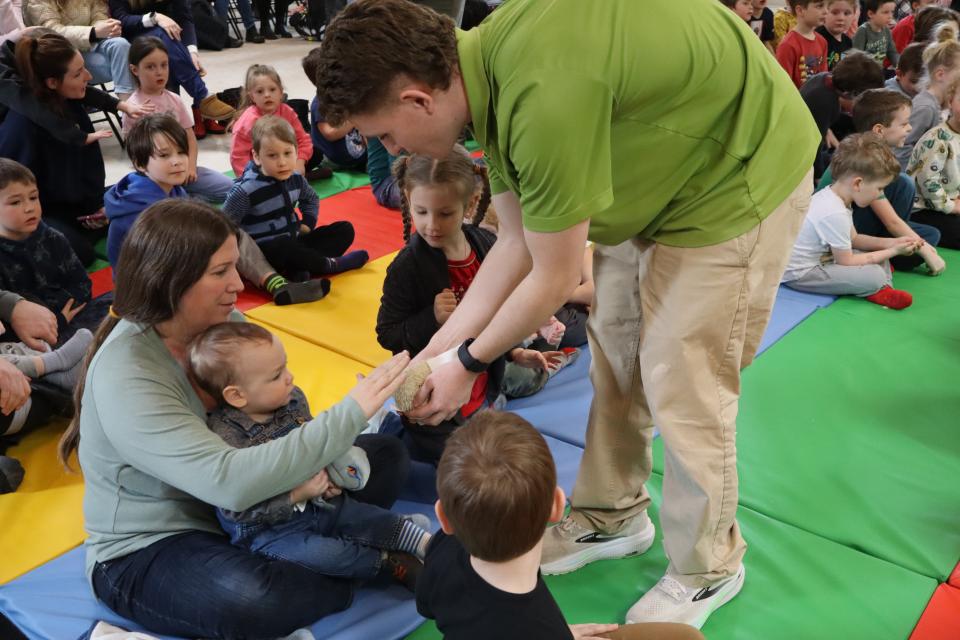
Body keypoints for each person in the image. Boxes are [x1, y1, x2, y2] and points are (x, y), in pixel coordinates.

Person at [314, 0, 819, 627]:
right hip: (661, 182)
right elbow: (517, 246)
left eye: (386, 134)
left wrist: (468, 362)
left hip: (734, 181)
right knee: (618, 351)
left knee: (684, 379)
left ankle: (708, 565)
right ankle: (612, 515)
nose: (391, 148)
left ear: (419, 100)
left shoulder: (541, 97)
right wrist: (435, 354)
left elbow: (550, 274)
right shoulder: (483, 73)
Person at [57, 198, 414, 639]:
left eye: (235, 266)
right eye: (220, 271)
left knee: (385, 456)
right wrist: (351, 413)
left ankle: (320, 554)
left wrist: (325, 461)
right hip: (156, 544)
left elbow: (279, 408)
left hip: (254, 514)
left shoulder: (224, 328)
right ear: (172, 281)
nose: (238, 282)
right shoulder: (127, 371)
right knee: (254, 599)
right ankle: (346, 562)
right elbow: (228, 481)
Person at [419, 410, 707, 640]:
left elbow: (429, 606)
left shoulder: (441, 549)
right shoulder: (540, 625)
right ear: (557, 506)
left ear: (443, 517)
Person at [188, 321, 432, 590]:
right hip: (273, 532)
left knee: (362, 516)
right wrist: (294, 496)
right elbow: (236, 511)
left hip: (322, 503)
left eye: (286, 366)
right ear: (237, 396)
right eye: (276, 375)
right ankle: (385, 562)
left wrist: (331, 477)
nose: (290, 377)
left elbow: (314, 440)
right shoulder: (226, 437)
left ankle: (418, 539)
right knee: (325, 556)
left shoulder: (291, 399)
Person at [376, 149, 575, 463]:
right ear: (408, 201)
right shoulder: (407, 268)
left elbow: (497, 316)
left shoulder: (488, 246)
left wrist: (514, 352)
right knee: (465, 464)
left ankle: (518, 374)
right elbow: (387, 334)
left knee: (522, 385)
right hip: (438, 397)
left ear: (468, 205)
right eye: (422, 211)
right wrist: (432, 318)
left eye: (444, 213)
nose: (431, 225)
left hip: (485, 374)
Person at [108, 113, 333, 306]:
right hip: (152, 289)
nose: (177, 162)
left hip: (176, 268)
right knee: (226, 236)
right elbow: (163, 262)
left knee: (229, 231)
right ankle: (284, 275)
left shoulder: (174, 191)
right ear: (140, 163)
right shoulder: (141, 213)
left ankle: (278, 282)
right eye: (165, 155)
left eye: (182, 153)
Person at [0, 30, 150, 266]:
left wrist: (96, 205)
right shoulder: (22, 126)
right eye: (79, 73)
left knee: (146, 196)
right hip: (40, 212)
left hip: (77, 204)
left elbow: (88, 169)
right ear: (52, 83)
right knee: (79, 253)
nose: (89, 77)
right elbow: (16, 198)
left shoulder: (70, 100)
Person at [224, 115, 369, 279]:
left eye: (287, 153)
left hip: (295, 240)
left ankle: (298, 268)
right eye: (272, 156)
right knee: (283, 246)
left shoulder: (295, 178)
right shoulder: (245, 190)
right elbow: (225, 225)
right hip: (267, 253)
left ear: (296, 152)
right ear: (257, 157)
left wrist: (307, 223)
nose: (282, 162)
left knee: (344, 230)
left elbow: (311, 198)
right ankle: (329, 265)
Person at [782, 133, 918, 307]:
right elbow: (846, 261)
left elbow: (854, 239)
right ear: (858, 183)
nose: (879, 195)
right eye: (879, 188)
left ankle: (878, 283)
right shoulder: (834, 211)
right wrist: (893, 251)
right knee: (874, 274)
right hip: (802, 274)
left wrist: (891, 243)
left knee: (878, 256)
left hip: (825, 258)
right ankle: (879, 289)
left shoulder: (837, 197)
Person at [836, 88, 946, 271]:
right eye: (904, 124)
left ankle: (892, 246)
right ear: (879, 130)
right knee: (903, 184)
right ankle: (886, 251)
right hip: (846, 230)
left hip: (861, 223)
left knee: (931, 234)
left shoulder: (876, 153)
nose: (909, 128)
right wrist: (925, 250)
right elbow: (892, 221)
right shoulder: (866, 159)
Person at [0, 158, 108, 340]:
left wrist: (59, 316)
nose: (29, 208)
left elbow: (82, 285)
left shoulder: (52, 238)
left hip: (69, 316)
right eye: (15, 202)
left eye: (33, 197)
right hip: (27, 338)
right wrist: (55, 316)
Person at [121, 36, 233, 202]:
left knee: (230, 189)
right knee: (169, 208)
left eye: (164, 65)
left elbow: (190, 137)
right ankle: (186, 199)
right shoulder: (132, 108)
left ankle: (188, 197)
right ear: (135, 70)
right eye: (150, 67)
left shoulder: (174, 99)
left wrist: (191, 167)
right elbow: (135, 154)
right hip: (155, 178)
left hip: (182, 168)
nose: (159, 72)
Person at [107, 0, 235, 136]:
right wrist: (155, 17)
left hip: (169, 34)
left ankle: (179, 117)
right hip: (134, 35)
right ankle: (201, 100)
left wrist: (192, 52)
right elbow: (121, 19)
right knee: (164, 40)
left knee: (168, 44)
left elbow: (184, 18)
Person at [22, 0, 135, 98]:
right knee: (121, 64)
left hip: (89, 45)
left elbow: (99, 16)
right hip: (59, 56)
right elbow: (50, 32)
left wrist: (108, 28)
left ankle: (128, 104)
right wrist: (93, 32)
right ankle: (129, 110)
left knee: (121, 45)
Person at [799, 51, 885, 179]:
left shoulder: (825, 78)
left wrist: (827, 131)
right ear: (849, 93)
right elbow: (813, 146)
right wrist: (817, 176)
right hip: (804, 154)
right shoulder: (825, 101)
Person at [230, 64, 313, 177]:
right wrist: (250, 182)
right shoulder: (248, 121)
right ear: (252, 96)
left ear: (281, 92)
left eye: (272, 89)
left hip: (286, 161)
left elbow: (303, 140)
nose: (267, 95)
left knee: (316, 152)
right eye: (260, 91)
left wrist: (300, 162)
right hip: (262, 169)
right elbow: (238, 157)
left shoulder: (287, 112)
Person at [895, 21, 960, 166]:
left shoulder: (940, 105)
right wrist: (920, 173)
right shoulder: (926, 107)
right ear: (940, 74)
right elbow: (901, 147)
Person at [906, 76, 960, 247]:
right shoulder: (937, 138)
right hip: (926, 209)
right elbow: (928, 181)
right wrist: (952, 207)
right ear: (950, 101)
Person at [302, 46, 367, 172]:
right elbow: (330, 133)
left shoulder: (347, 95)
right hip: (336, 161)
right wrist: (353, 118)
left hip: (357, 155)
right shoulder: (321, 103)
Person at [777, 0, 829, 89]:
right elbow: (783, 84)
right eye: (819, 6)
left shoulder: (822, 41)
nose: (826, 11)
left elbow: (824, 78)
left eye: (827, 6)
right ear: (800, 11)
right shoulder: (787, 45)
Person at [853, 0, 901, 68]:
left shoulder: (886, 31)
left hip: (878, 72)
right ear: (871, 14)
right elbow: (856, 57)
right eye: (885, 12)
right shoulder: (863, 31)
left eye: (892, 12)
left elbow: (892, 53)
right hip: (863, 73)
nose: (890, 16)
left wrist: (900, 66)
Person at [818, 0, 855, 69]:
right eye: (835, 13)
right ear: (824, 12)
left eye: (846, 13)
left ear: (854, 15)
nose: (841, 18)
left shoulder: (848, 42)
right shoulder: (817, 38)